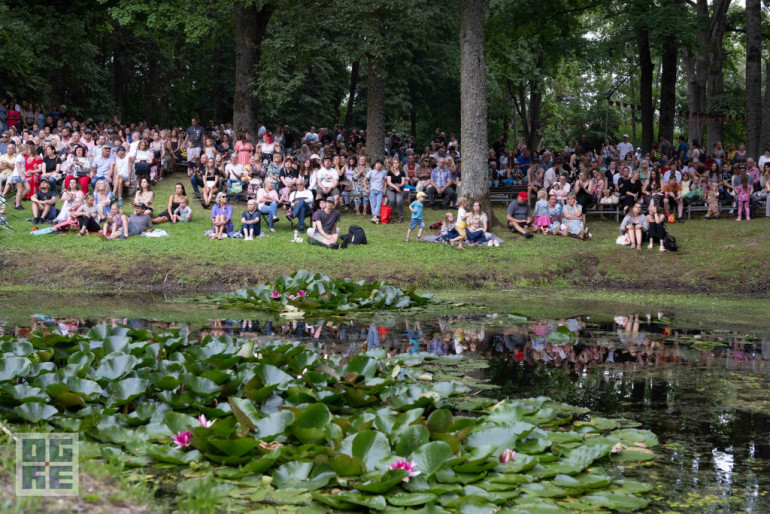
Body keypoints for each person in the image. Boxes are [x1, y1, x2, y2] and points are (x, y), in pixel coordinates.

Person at [364, 159, 387, 223]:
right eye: (377, 163)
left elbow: (385, 181)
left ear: (382, 165)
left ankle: (375, 217)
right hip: (372, 190)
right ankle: (375, 216)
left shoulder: (384, 172)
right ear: (375, 164)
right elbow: (365, 180)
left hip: (380, 190)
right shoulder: (371, 172)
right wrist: (366, 188)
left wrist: (384, 189)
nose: (378, 165)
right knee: (373, 204)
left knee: (378, 204)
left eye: (380, 164)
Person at [386, 158, 406, 223]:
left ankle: (401, 216)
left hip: (400, 188)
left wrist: (399, 186)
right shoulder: (389, 172)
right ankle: (391, 216)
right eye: (394, 163)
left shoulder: (402, 172)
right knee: (391, 200)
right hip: (391, 189)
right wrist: (395, 187)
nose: (396, 164)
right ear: (392, 164)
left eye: (397, 163)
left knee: (399, 201)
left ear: (399, 163)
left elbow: (403, 182)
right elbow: (389, 182)